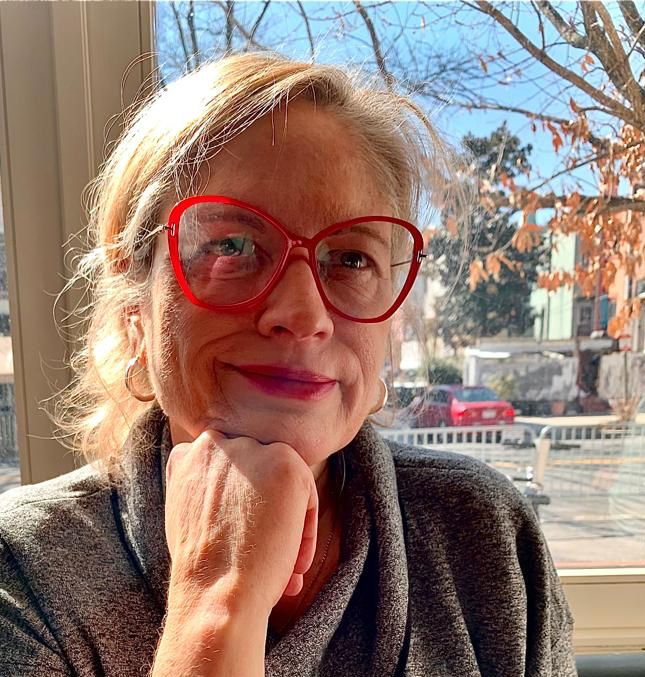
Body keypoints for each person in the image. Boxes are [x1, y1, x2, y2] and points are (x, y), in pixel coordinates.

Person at [0, 53, 577, 677]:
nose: (303, 314)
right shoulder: (24, 574)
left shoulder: (482, 535)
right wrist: (216, 602)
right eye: (231, 246)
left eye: (351, 260)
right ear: (136, 298)